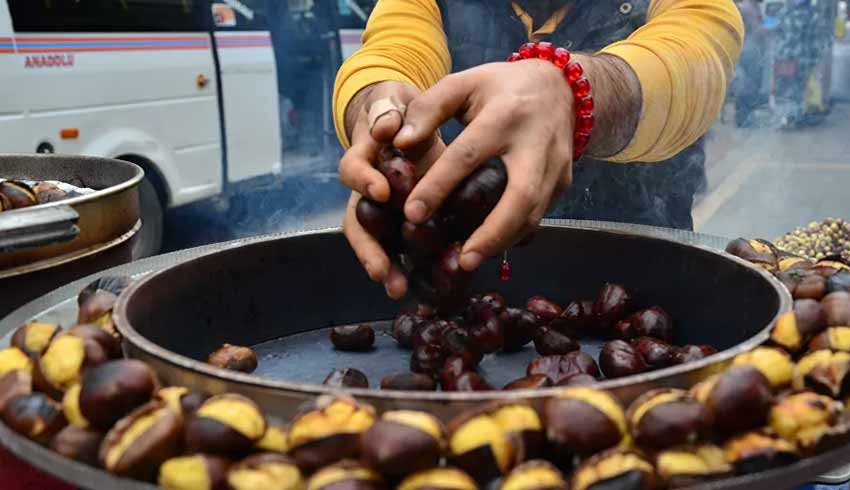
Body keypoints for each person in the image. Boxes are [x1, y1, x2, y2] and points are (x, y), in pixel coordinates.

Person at [333, 0, 744, 298]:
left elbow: (691, 62)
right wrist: (377, 110)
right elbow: (390, 53)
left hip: (644, 293)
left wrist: (571, 90)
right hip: (471, 298)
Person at [774, 0, 821, 127]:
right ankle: (793, 117)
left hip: (785, 56)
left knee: (784, 88)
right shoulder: (812, 15)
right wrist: (815, 61)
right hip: (801, 58)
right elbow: (814, 41)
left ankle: (786, 117)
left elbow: (777, 34)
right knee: (797, 90)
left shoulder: (784, 12)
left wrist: (777, 53)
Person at [736, 0, 767, 127]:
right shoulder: (749, 8)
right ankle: (745, 119)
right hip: (750, 50)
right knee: (750, 86)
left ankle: (743, 117)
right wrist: (771, 28)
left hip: (746, 49)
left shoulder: (750, 6)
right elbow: (757, 32)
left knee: (746, 85)